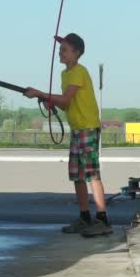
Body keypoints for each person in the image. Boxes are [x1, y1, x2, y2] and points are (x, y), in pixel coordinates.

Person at [24, 33, 113, 237]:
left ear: (77, 52)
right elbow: (66, 104)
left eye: (64, 49)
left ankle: (103, 219)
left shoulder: (79, 72)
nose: (60, 53)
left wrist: (41, 94)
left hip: (88, 128)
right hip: (77, 129)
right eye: (60, 50)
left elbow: (65, 100)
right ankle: (84, 217)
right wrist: (50, 101)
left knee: (91, 174)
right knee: (77, 176)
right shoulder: (66, 75)